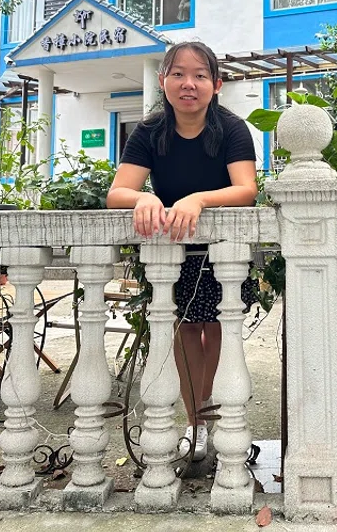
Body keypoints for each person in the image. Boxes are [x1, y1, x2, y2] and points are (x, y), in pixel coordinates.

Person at [106, 41, 259, 462]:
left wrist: (198, 199)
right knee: (184, 331)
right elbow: (118, 191)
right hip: (172, 249)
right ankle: (196, 423)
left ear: (216, 84)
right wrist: (143, 200)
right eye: (178, 74)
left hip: (222, 250)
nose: (188, 84)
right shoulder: (149, 131)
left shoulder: (231, 128)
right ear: (163, 81)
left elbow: (246, 189)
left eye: (199, 75)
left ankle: (214, 416)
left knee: (218, 329)